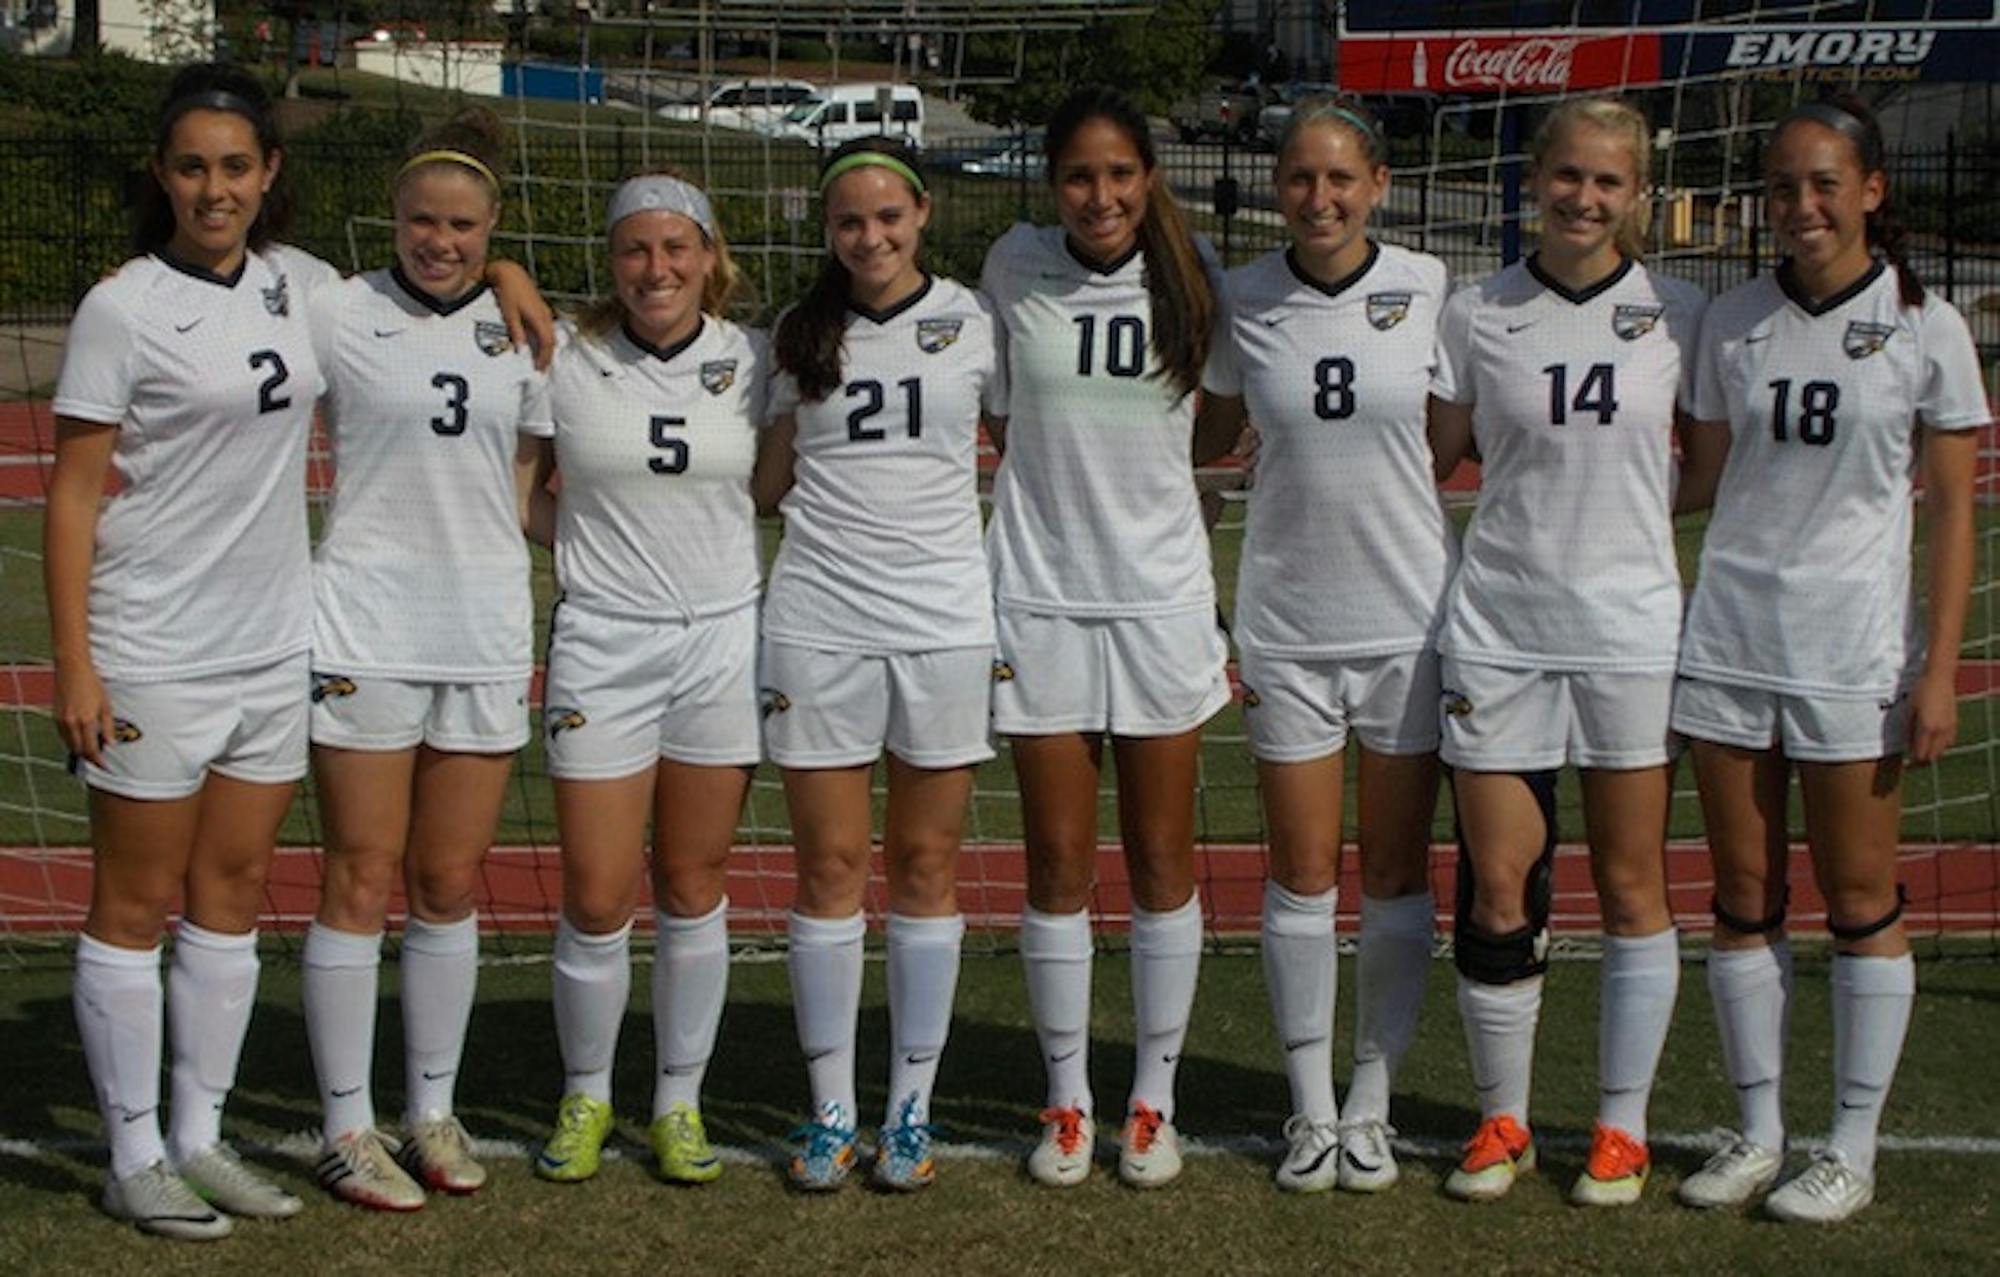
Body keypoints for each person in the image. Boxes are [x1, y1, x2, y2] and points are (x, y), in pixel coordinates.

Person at [1670, 95, 1985, 1224]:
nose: (1798, 206)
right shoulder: (1728, 319)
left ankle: (1848, 1143)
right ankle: (1757, 1130)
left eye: (1820, 184)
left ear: (1869, 190)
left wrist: (1936, 666)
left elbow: (1952, 511)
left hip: (1851, 652)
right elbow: (1698, 477)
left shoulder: (1925, 327)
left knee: (1859, 899)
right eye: (1780, 186)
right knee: (1741, 896)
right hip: (1726, 642)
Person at [48, 60, 326, 1242]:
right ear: (162, 178)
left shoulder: (296, 284)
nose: (214, 189)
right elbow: (71, 496)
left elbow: (437, 267)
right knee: (135, 901)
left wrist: (511, 270)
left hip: (271, 649)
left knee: (230, 898)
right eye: (192, 168)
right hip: (152, 646)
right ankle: (130, 1154)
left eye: (235, 167)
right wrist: (76, 666)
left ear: (268, 176)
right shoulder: (121, 305)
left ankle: (200, 1137)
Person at [1426, 97, 1711, 1207]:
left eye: (1606, 182)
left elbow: (1707, 469)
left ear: (1636, 195)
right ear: (1532, 178)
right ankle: (1499, 1118)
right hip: (1499, 628)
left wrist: (1625, 534)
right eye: (1566, 177)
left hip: (1630, 631)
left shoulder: (1678, 310)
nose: (1583, 198)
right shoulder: (1475, 311)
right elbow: (1436, 459)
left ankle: (1618, 1128)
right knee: (1499, 881)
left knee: (1632, 880)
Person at [1195, 95, 1452, 1194]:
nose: (1318, 197)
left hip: (1407, 620)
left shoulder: (1432, 288)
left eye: (1340, 178)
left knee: (1392, 870)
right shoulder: (1241, 298)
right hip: (1288, 626)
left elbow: (1444, 440)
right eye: (1299, 178)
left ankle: (1371, 1101)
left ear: (1378, 184)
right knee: (1299, 870)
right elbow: (1206, 453)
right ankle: (1307, 1109)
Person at [300, 108, 552, 1211]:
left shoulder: (523, 333)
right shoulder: (339, 308)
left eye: (462, 226)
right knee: (358, 873)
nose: (437, 241)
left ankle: (430, 1107)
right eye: (420, 221)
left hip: (484, 627)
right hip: (363, 626)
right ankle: (346, 1124)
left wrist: (512, 276)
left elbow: (533, 476)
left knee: (448, 881)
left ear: (491, 228)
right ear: (391, 221)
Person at [980, 85, 1230, 1190]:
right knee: (1055, 864)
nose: (1100, 195)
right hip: (1038, 597)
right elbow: (998, 412)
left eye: (1119, 174)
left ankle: (1152, 1102)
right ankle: (1068, 1099)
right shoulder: (1011, 265)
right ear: (1051, 183)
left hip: (1162, 601)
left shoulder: (1195, 275)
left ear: (1147, 178)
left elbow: (1217, 423)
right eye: (1079, 175)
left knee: (1164, 862)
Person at [754, 137, 1003, 1192]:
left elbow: (1029, 447)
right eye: (849, 221)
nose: (871, 236)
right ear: (827, 230)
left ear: (922, 214)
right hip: (817, 619)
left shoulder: (977, 325)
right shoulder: (796, 333)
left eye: (888, 217)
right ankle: (829, 1111)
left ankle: (909, 1109)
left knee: (925, 869)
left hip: (944, 619)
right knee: (826, 870)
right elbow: (763, 487)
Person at [526, 172, 766, 1189]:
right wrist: (594, 558)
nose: (655, 268)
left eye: (676, 248)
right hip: (603, 644)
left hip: (720, 640)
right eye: (635, 249)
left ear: (710, 255)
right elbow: (527, 494)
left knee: (693, 883)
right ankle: (587, 1089)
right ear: (611, 259)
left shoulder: (754, 360)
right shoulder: (566, 361)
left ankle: (677, 1097)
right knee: (593, 889)